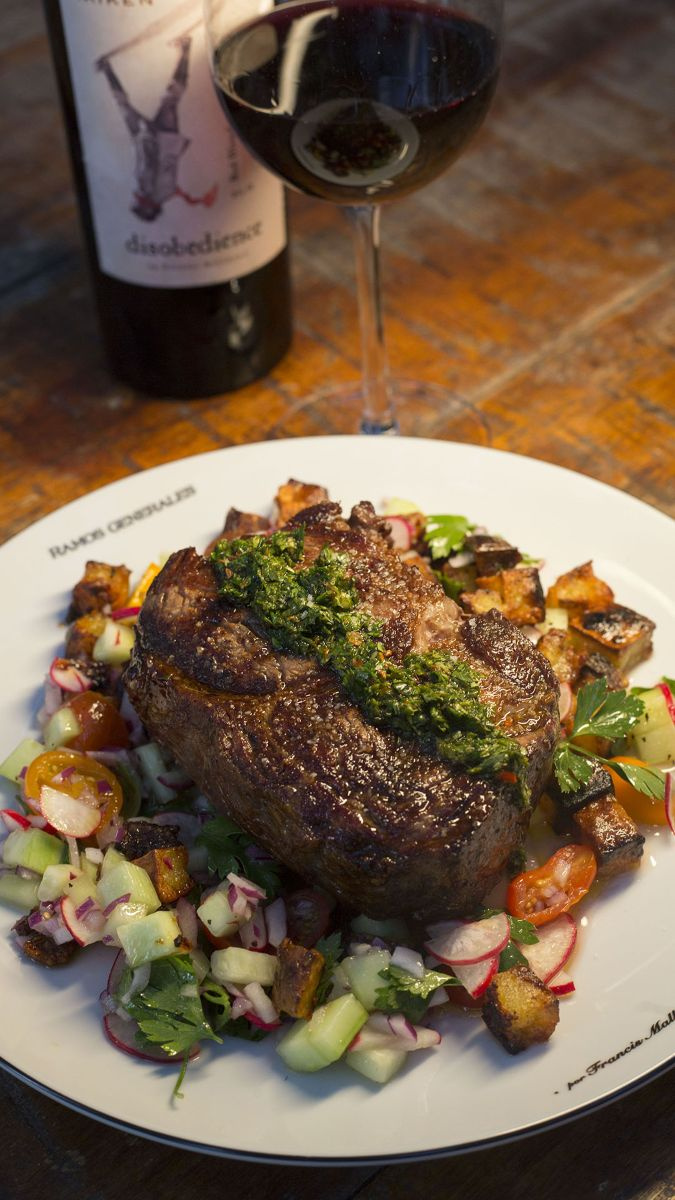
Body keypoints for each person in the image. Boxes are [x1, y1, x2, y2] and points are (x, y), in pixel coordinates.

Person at [97, 38, 216, 222]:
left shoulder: (165, 194)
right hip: (150, 139)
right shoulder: (149, 190)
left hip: (166, 140)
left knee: (170, 98)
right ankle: (105, 67)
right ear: (147, 207)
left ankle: (185, 48)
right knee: (127, 105)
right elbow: (148, 162)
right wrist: (146, 135)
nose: (135, 202)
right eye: (138, 207)